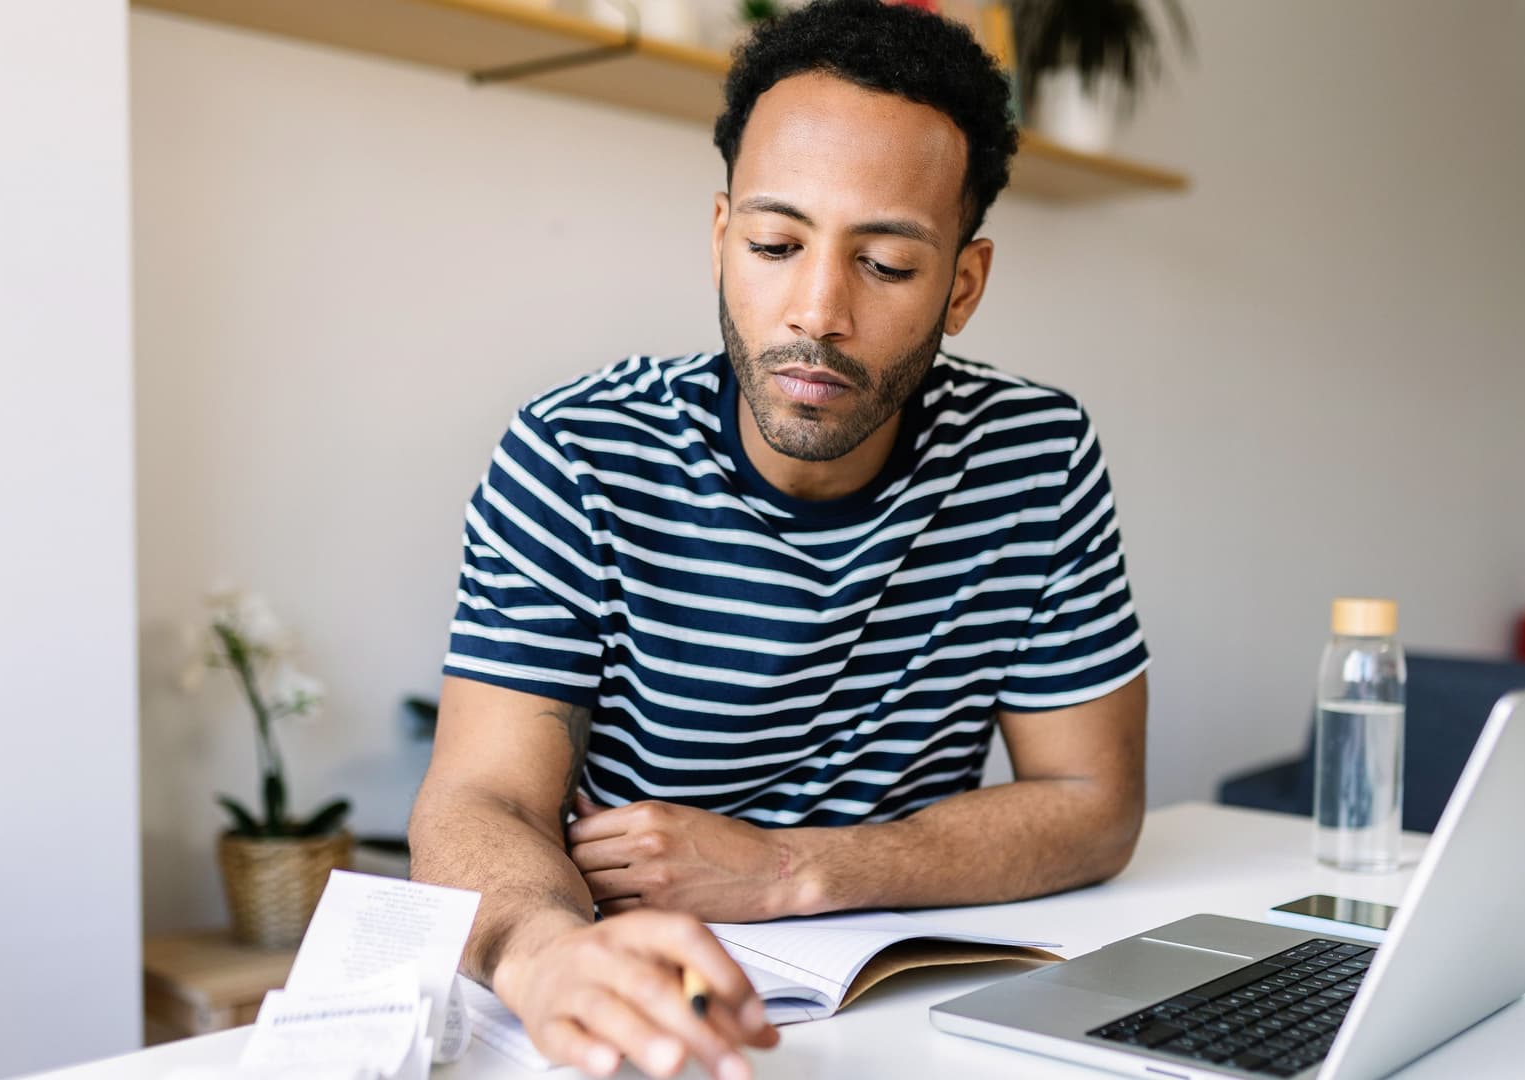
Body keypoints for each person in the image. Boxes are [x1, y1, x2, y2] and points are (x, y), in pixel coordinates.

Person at [407, 2, 1150, 1078]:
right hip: (644, 1006)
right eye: (773, 244)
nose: (816, 310)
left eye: (887, 266)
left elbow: (1096, 807)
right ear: (720, 240)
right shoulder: (575, 453)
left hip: (913, 1009)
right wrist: (547, 955)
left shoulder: (1037, 454)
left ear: (965, 284)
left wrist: (790, 869)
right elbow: (481, 798)